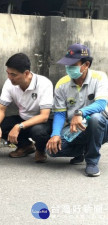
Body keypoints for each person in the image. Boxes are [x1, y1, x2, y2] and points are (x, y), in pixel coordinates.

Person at [46, 43, 108, 177]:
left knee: (96, 119)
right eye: (67, 65)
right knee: (52, 150)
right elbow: (60, 113)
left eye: (73, 65)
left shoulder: (99, 78)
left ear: (86, 65)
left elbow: (101, 103)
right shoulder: (62, 84)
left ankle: (92, 161)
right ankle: (82, 150)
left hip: (100, 126)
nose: (68, 68)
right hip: (75, 129)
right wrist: (55, 134)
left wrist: (80, 113)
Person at [0, 53, 53, 163]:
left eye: (13, 75)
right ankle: (26, 146)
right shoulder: (9, 83)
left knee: (38, 132)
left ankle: (40, 149)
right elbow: (1, 109)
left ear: (26, 73)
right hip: (23, 119)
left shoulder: (44, 84)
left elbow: (44, 116)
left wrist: (19, 126)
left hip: (42, 122)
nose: (9, 77)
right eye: (8, 73)